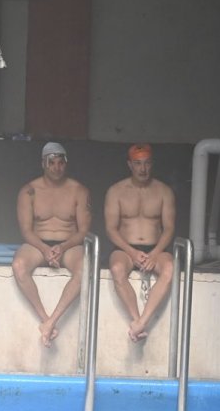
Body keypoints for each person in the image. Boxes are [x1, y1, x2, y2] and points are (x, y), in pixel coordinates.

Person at [11, 142, 91, 347]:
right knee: (19, 266)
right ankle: (45, 319)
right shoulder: (29, 191)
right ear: (43, 164)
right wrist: (45, 249)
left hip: (69, 245)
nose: (56, 168)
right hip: (38, 244)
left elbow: (83, 231)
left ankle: (52, 321)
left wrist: (62, 247)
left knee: (85, 269)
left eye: (60, 163)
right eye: (52, 163)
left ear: (66, 163)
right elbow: (26, 231)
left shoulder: (78, 190)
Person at [104, 143, 176, 342]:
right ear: (130, 165)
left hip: (156, 249)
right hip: (125, 249)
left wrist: (155, 253)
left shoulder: (164, 191)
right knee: (117, 269)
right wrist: (132, 252)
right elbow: (111, 229)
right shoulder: (116, 191)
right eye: (138, 164)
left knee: (170, 268)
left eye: (147, 163)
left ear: (152, 164)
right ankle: (136, 320)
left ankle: (142, 321)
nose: (143, 169)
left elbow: (169, 228)